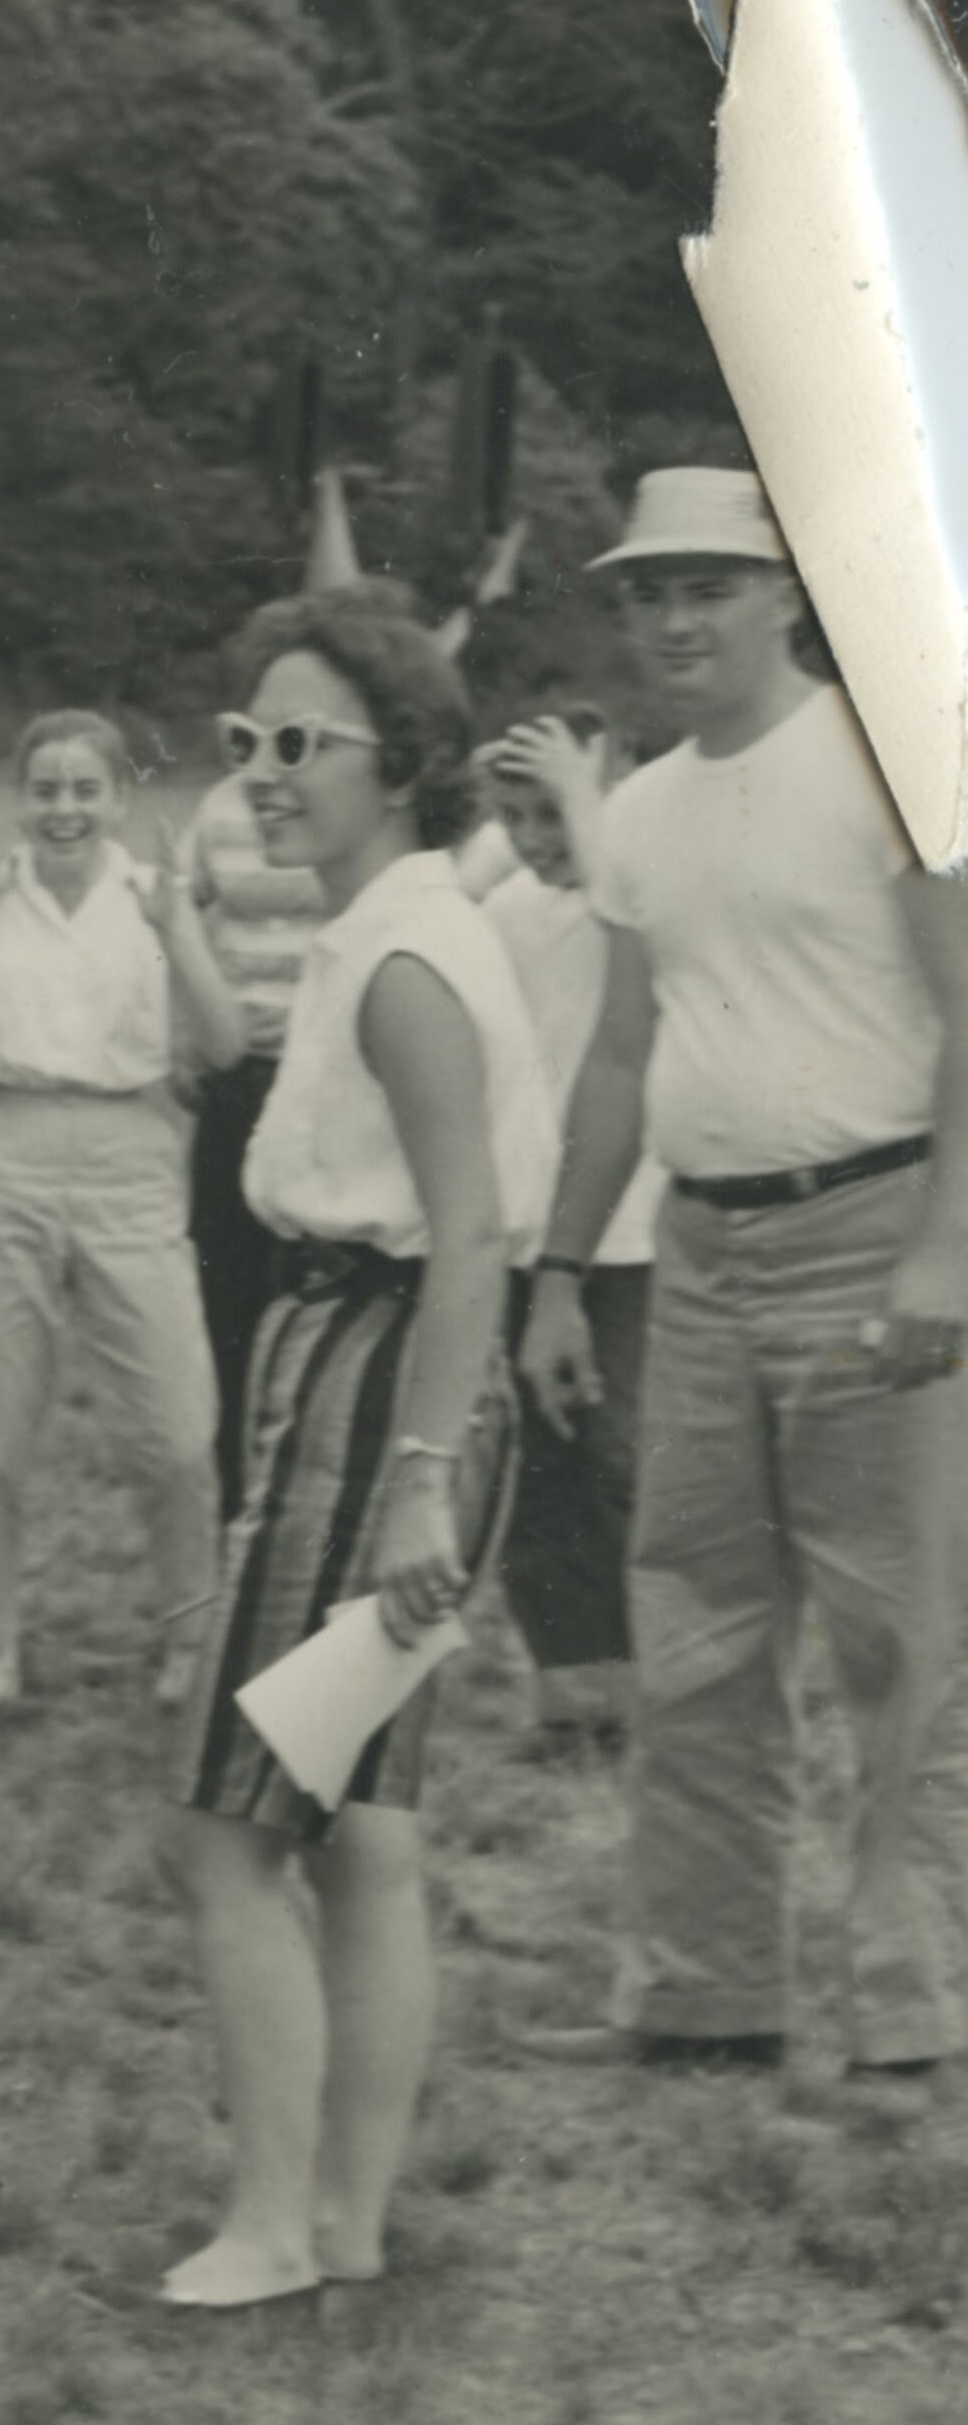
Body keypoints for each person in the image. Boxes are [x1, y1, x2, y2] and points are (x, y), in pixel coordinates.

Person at [513, 468, 968, 2124]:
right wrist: (559, 1273)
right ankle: (700, 2003)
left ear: (785, 592)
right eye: (644, 594)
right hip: (698, 1256)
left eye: (705, 586)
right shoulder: (633, 812)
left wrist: (943, 1250)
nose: (671, 620)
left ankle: (913, 2024)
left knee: (897, 1637)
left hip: (873, 1231)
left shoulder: (887, 755)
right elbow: (620, 1058)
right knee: (692, 1625)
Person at [162, 591, 557, 2306]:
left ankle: (272, 2223)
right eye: (243, 743)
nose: (259, 775)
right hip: (357, 1367)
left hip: (376, 1389)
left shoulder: (400, 956)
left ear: (397, 766)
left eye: (298, 747)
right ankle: (339, 2224)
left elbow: (465, 1234)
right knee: (361, 1832)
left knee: (229, 1828)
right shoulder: (376, 926)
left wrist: (410, 1478)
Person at [0, 710, 236, 1718]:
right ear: (18, 799)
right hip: (4, 1144)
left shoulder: (155, 897)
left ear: (118, 799)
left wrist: (180, 931)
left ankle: (188, 1637)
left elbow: (219, 1046)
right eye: (43, 790)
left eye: (84, 790)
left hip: (129, 1150)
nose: (62, 810)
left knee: (176, 1428)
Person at [466, 708, 660, 1744]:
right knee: (533, 1468)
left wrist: (587, 803)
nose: (536, 838)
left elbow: (629, 909)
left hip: (626, 1234)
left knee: (614, 1456)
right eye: (514, 817)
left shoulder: (632, 895)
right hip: (520, 1230)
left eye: (552, 813)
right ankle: (567, 1685)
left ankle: (635, 1687)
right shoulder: (502, 911)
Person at [177, 712, 343, 1524]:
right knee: (229, 1314)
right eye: (243, 731)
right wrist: (184, 1029)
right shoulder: (216, 809)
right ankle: (235, 1523)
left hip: (325, 1082)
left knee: (315, 1309)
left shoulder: (342, 808)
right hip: (236, 1082)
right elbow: (174, 911)